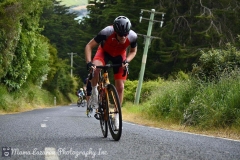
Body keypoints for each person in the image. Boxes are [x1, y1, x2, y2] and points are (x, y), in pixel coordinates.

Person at [85, 16, 138, 130]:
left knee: (120, 87)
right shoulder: (106, 32)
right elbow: (89, 46)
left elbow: (133, 51)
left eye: (125, 34)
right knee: (96, 69)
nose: (124, 37)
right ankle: (95, 92)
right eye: (120, 35)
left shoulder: (133, 36)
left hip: (120, 56)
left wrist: (127, 61)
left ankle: (117, 116)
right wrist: (89, 62)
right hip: (104, 53)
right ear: (115, 31)